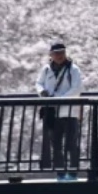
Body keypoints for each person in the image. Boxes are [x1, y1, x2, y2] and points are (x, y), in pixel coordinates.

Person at [35, 42, 83, 181]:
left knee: (71, 144)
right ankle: (60, 173)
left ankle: (73, 173)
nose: (59, 56)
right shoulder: (46, 70)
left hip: (69, 112)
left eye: (62, 53)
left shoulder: (73, 69)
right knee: (55, 144)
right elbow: (38, 83)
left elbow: (77, 88)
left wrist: (60, 99)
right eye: (56, 53)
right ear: (51, 55)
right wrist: (42, 92)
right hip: (52, 113)